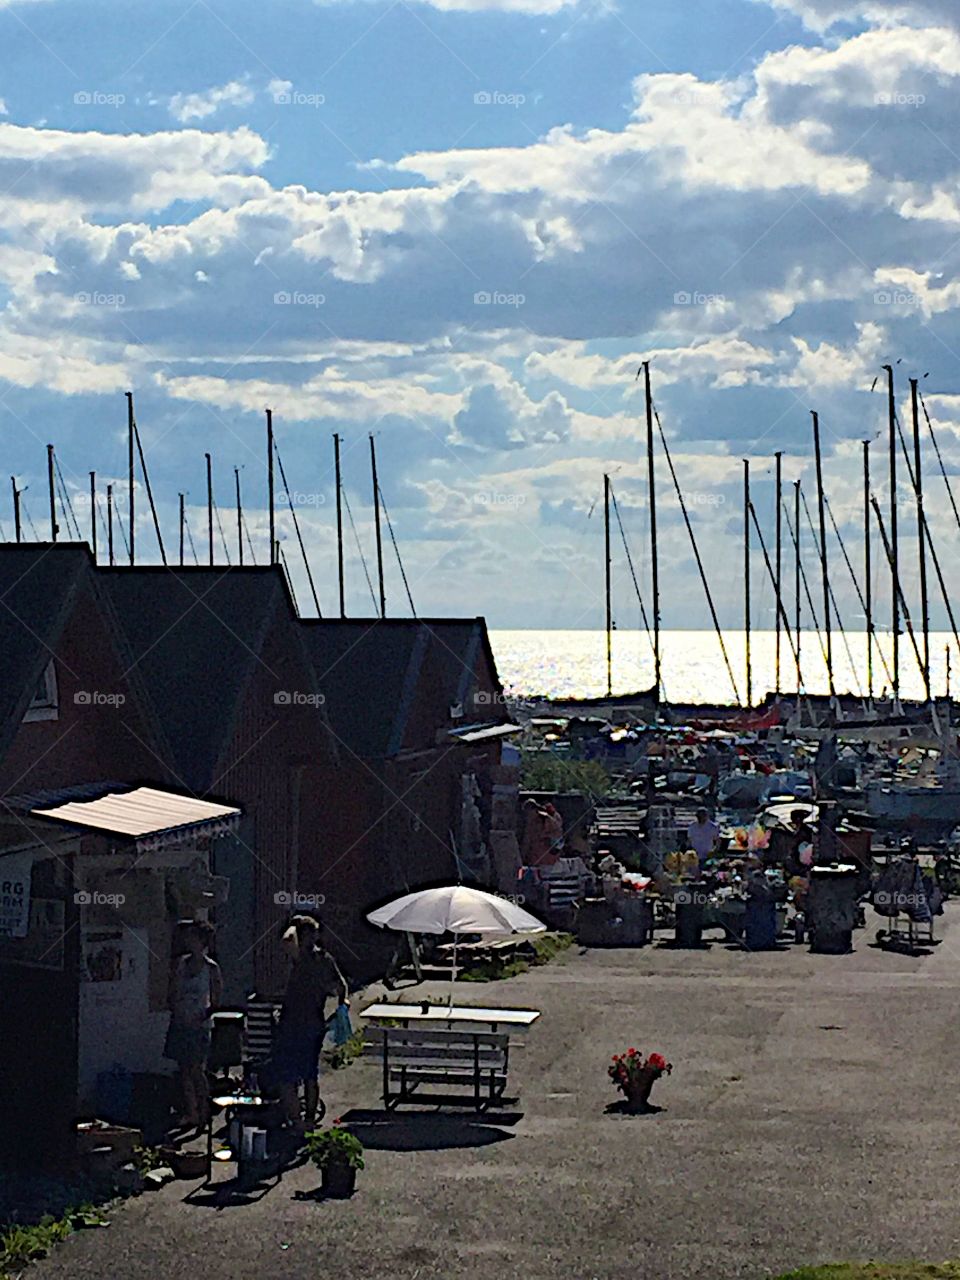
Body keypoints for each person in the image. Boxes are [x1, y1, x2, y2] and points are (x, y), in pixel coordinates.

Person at [274, 915, 347, 1130]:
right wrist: (341, 1007)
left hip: (294, 1021)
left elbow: (286, 940)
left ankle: (298, 1119)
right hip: (314, 1020)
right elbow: (341, 985)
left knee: (288, 1074)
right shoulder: (325, 959)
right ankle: (308, 1119)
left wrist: (292, 923)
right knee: (309, 1074)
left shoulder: (300, 957)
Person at [164, 920, 222, 1130]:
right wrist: (173, 1006)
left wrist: (202, 1016)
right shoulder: (181, 963)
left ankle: (205, 1111)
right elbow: (172, 990)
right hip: (180, 1022)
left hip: (199, 1026)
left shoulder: (211, 968)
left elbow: (216, 1001)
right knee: (183, 1070)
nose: (188, 941)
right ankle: (191, 1112)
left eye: (192, 937)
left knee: (197, 1069)